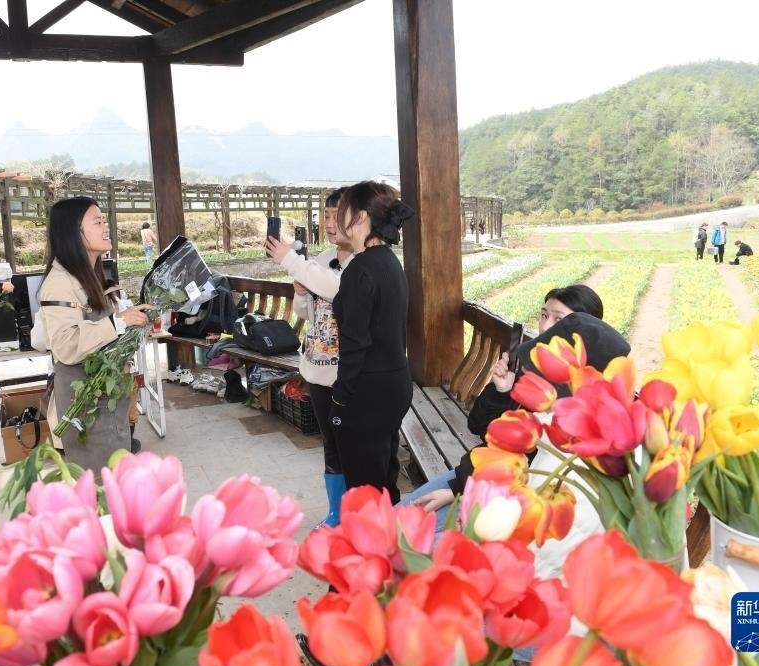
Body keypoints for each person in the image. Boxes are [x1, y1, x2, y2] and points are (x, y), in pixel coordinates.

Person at [401, 284, 621, 526]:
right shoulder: (533, 367)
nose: (545, 326)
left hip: (500, 496)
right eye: (544, 315)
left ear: (585, 329)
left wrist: (457, 490)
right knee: (397, 520)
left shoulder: (581, 396)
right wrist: (503, 391)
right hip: (475, 474)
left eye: (559, 319)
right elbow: (479, 427)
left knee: (402, 532)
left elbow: (530, 464)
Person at [40, 196, 154, 473]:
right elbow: (66, 345)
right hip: (85, 408)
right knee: (97, 485)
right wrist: (118, 323)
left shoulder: (90, 274)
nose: (106, 228)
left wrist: (134, 322)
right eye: (98, 222)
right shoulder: (59, 282)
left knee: (115, 480)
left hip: (106, 402)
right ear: (74, 231)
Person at [266, 188, 353, 526]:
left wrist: (293, 262)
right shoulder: (320, 260)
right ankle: (336, 512)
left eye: (336, 216)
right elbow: (305, 312)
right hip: (317, 369)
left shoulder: (362, 263)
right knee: (330, 444)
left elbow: (337, 289)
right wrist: (300, 292)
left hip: (346, 374)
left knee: (352, 446)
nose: (329, 223)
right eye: (326, 215)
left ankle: (356, 513)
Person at [329, 181, 414, 504]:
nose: (337, 218)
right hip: (394, 383)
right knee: (382, 477)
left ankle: (375, 535)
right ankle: (391, 530)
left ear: (361, 217)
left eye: (343, 210)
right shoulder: (388, 261)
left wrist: (340, 398)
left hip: (367, 391)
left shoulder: (360, 269)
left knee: (365, 490)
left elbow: (355, 343)